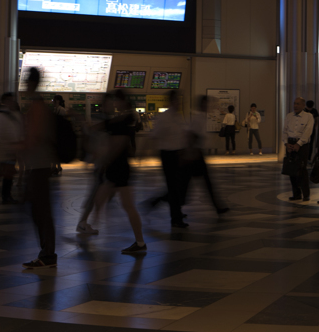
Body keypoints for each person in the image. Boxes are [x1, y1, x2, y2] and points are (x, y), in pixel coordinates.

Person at [92, 91, 147, 254]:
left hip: (120, 167)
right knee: (102, 199)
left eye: (116, 100)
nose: (114, 103)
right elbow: (105, 128)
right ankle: (90, 227)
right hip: (118, 167)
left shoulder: (126, 119)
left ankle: (140, 242)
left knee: (126, 205)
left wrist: (106, 159)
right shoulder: (120, 119)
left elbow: (120, 143)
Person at [21, 68, 58, 270]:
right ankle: (47, 253)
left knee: (41, 212)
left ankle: (48, 254)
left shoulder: (37, 106)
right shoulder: (40, 105)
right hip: (40, 165)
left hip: (39, 166)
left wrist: (15, 145)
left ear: (31, 83)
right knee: (40, 210)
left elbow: (33, 138)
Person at [182, 95, 231, 214]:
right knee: (202, 183)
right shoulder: (198, 118)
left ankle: (217, 206)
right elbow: (191, 135)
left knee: (189, 185)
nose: (207, 106)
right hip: (195, 156)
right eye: (205, 104)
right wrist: (191, 153)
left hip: (196, 155)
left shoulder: (202, 117)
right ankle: (217, 207)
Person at [148, 90, 189, 228]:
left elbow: (181, 137)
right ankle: (176, 218)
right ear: (171, 101)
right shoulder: (164, 117)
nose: (179, 103)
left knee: (177, 187)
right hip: (168, 155)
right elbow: (155, 135)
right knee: (173, 188)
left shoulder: (178, 117)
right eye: (177, 100)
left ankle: (166, 207)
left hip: (177, 154)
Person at [283, 96, 314, 201]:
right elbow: (285, 131)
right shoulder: (289, 116)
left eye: (298, 104)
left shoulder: (308, 116)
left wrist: (299, 144)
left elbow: (308, 132)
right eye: (294, 103)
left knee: (302, 169)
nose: (295, 106)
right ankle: (296, 194)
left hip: (303, 145)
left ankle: (306, 194)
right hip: (290, 144)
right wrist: (286, 143)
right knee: (291, 170)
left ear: (303, 105)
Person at [51, 95, 67, 175]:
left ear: (57, 101)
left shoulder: (61, 110)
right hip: (57, 134)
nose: (52, 101)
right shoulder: (56, 109)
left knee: (55, 151)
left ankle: (55, 167)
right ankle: (57, 166)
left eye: (54, 100)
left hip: (59, 134)